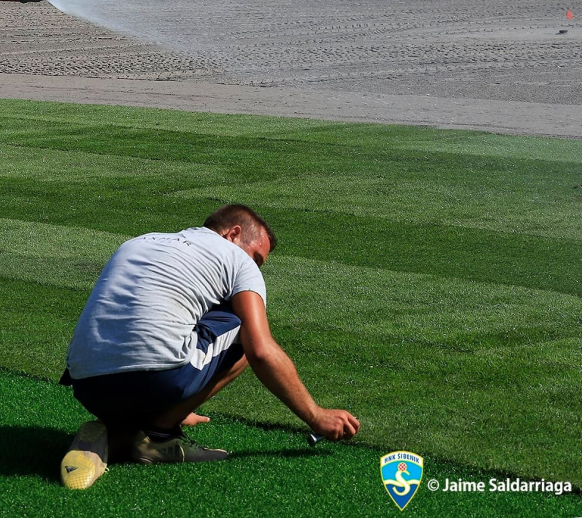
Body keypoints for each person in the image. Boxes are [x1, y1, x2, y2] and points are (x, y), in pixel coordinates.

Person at [59, 204, 360, 489]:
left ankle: (119, 431)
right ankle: (159, 433)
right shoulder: (237, 261)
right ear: (233, 234)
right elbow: (261, 351)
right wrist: (316, 415)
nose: (257, 267)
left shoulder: (140, 242)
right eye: (257, 257)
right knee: (245, 328)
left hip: (87, 385)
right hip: (153, 381)